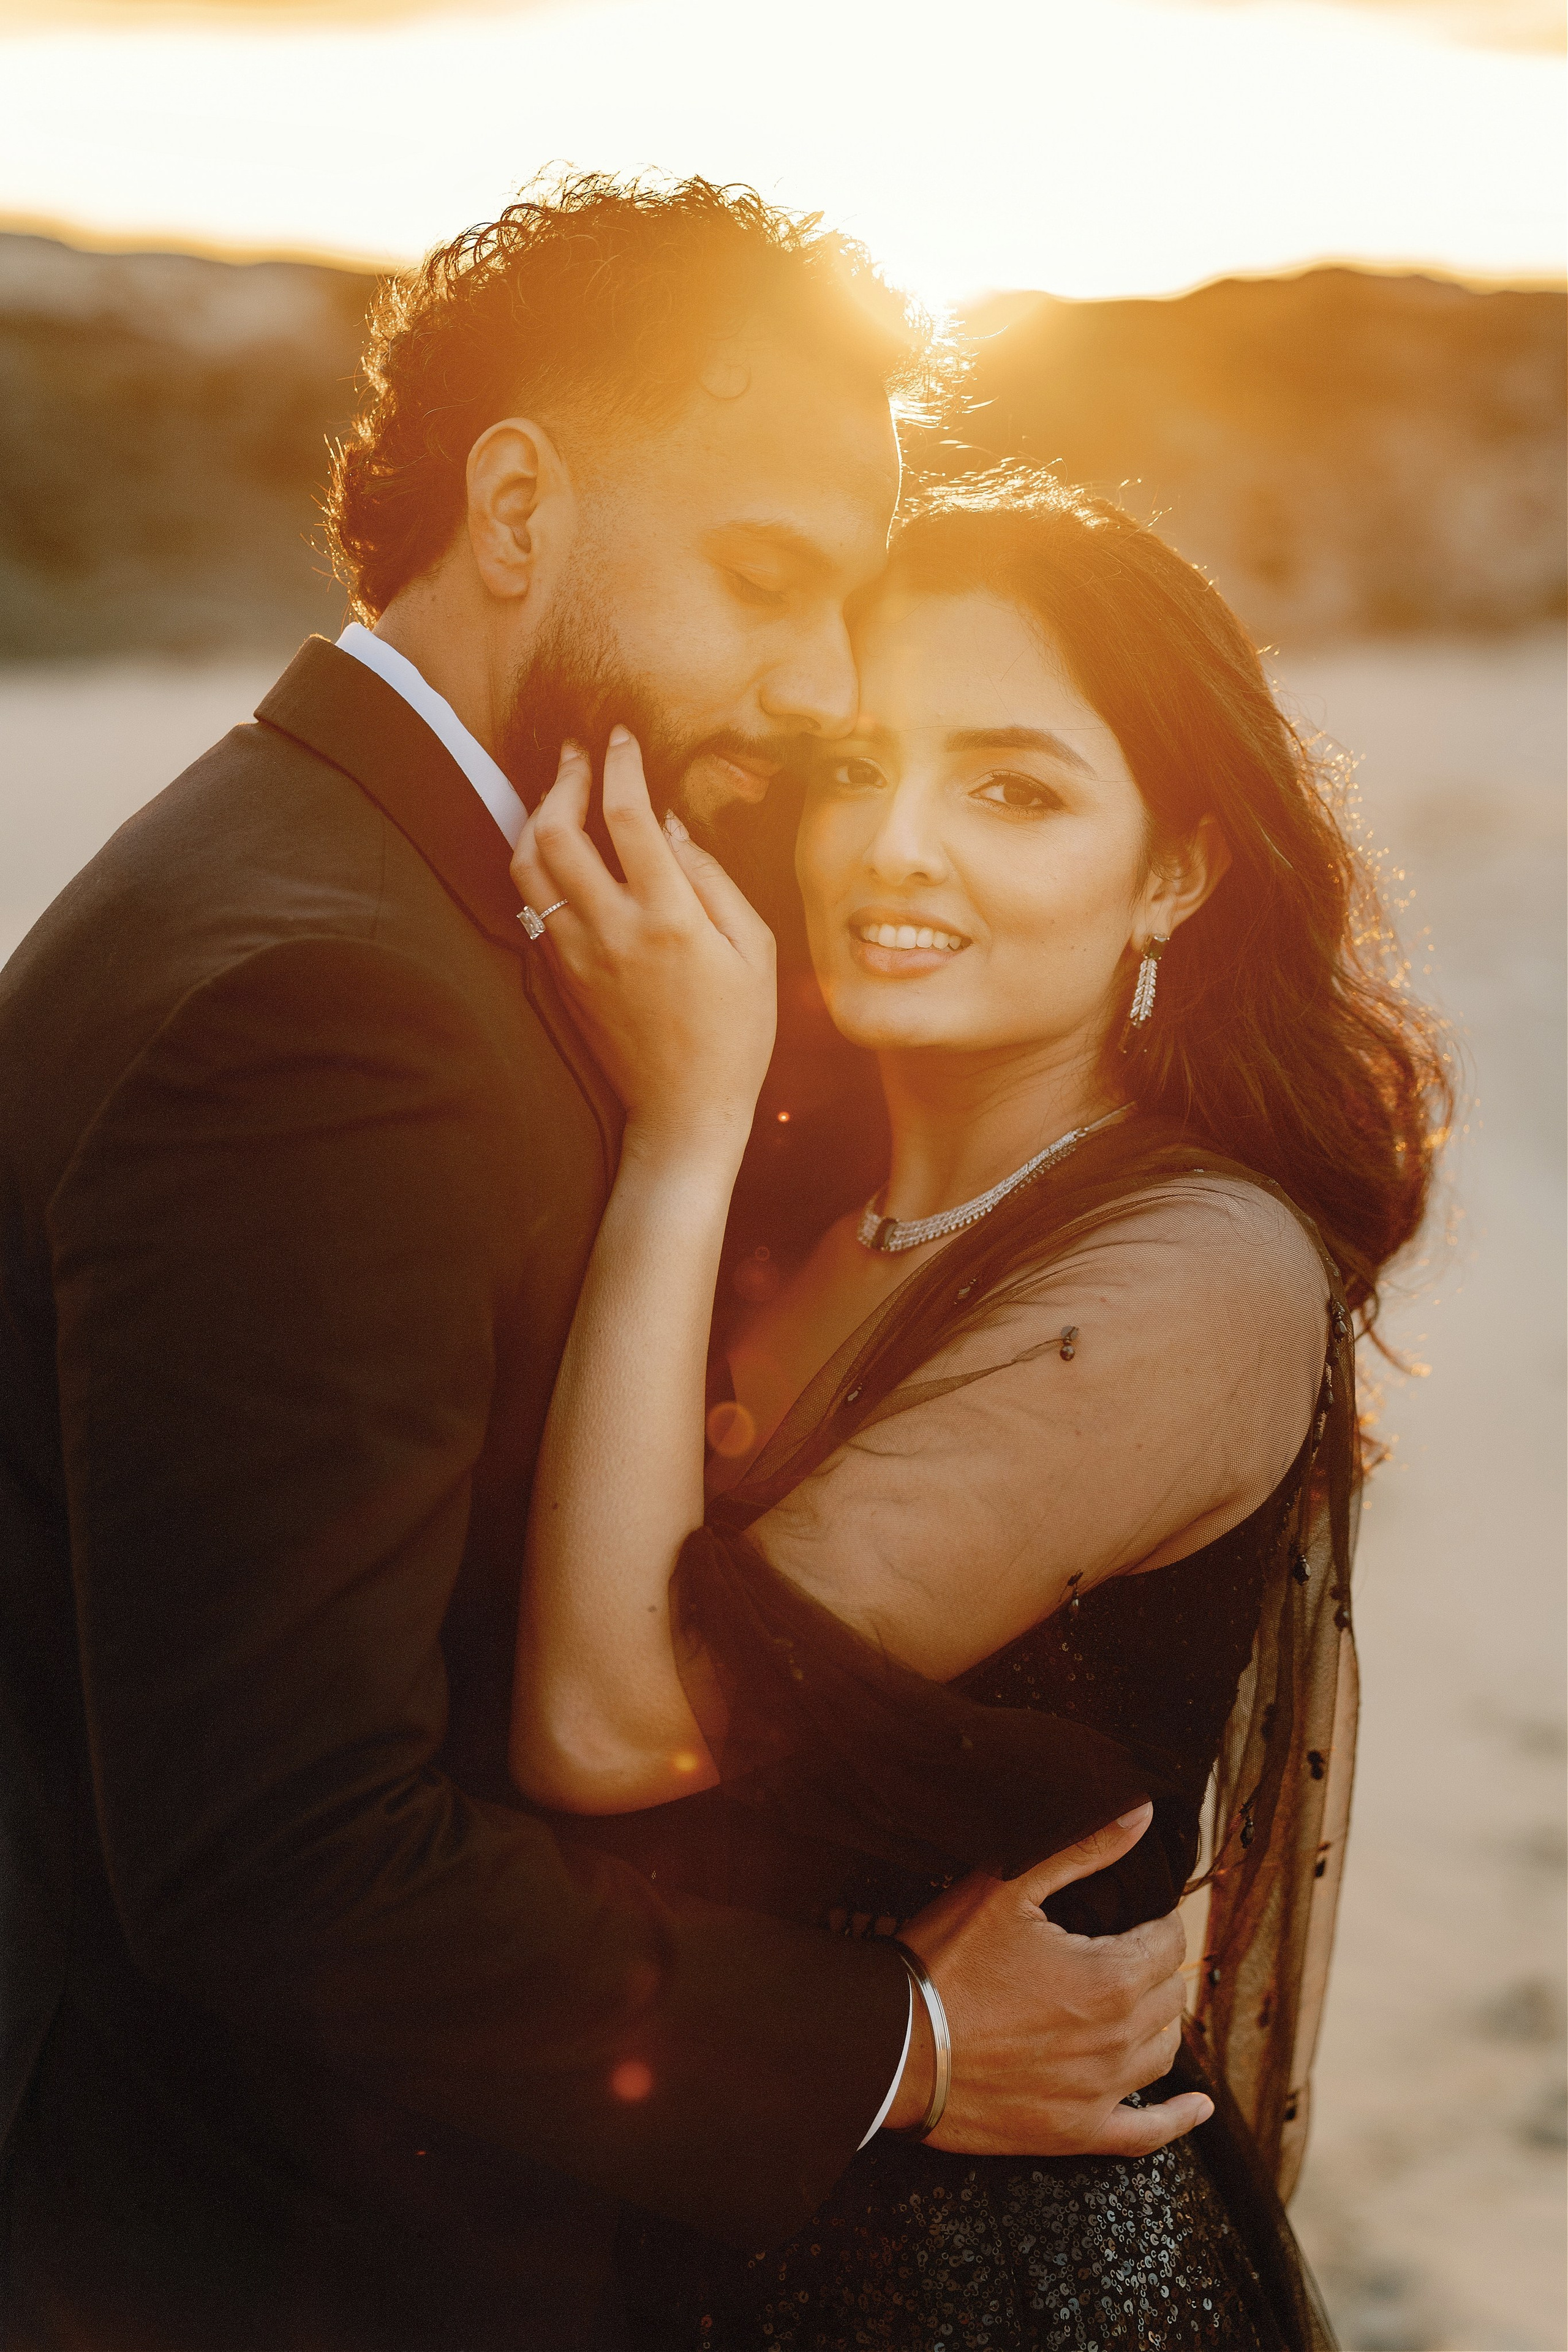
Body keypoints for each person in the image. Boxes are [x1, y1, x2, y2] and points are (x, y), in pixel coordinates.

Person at [0, 183, 1207, 2352]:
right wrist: (907, 2049)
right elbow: (278, 1854)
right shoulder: (327, 1002)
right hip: (256, 2250)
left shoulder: (369, 870)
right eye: (767, 580)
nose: (823, 684)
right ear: (521, 507)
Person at [505, 476, 1450, 2349]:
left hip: (985, 2286)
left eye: (1012, 789)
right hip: (712, 2211)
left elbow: (612, 1729)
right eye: (858, 768)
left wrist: (686, 1131)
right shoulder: (806, 1208)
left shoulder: (1193, 1273)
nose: (893, 849)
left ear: (1175, 867)